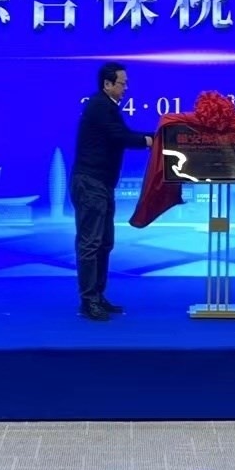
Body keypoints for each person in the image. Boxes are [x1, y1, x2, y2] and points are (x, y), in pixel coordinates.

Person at [71, 62, 151, 321]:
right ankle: (88, 300)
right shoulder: (99, 106)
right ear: (107, 84)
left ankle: (97, 295)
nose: (126, 88)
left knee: (104, 243)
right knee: (90, 243)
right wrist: (151, 140)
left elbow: (120, 135)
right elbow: (120, 136)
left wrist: (152, 138)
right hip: (90, 183)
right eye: (122, 83)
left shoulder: (107, 106)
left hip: (102, 184)